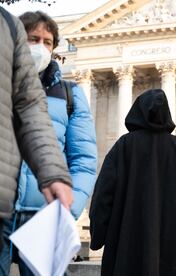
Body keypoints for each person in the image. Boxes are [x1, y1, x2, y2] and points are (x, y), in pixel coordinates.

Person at [0, 10, 97, 276]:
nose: (40, 47)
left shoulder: (70, 94)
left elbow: (84, 160)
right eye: (33, 38)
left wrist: (69, 210)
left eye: (48, 42)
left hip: (45, 217)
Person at [89, 89, 176, 276]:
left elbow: (102, 197)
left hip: (126, 248)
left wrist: (98, 236)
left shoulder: (123, 147)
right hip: (168, 250)